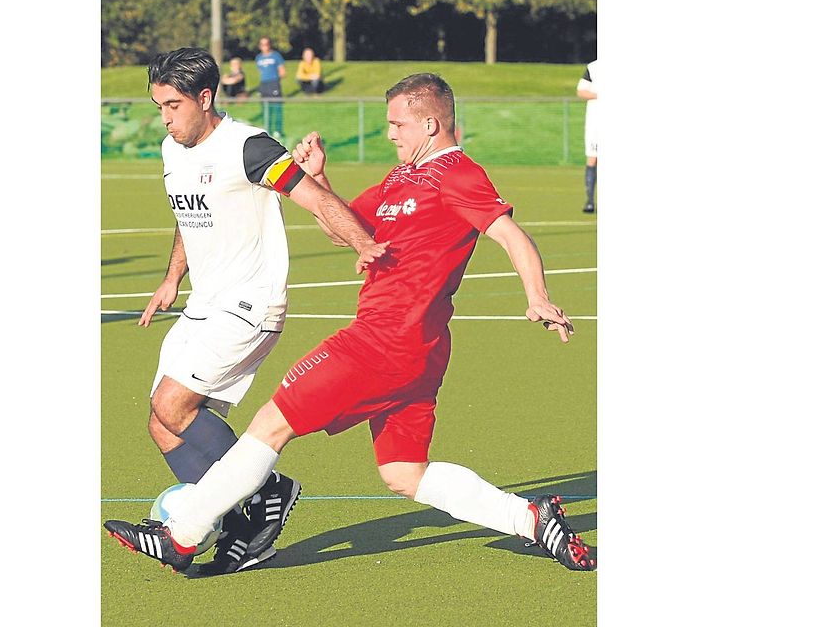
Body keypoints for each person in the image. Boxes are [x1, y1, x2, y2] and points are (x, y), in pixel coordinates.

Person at [104, 73, 595, 575]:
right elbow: (345, 232)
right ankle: (532, 519)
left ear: (430, 122)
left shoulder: (459, 173)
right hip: (413, 349)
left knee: (271, 425)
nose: (390, 134)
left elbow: (512, 235)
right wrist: (320, 178)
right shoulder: (399, 179)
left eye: (397, 123)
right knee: (405, 473)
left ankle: (182, 536)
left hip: (384, 340)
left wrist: (537, 296)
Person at [107, 46, 388, 576]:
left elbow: (313, 199)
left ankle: (258, 496)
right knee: (162, 426)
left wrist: (361, 242)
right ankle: (249, 522)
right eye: (158, 106)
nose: (164, 117)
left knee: (173, 405)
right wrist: (172, 277)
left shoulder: (250, 147)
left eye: (172, 105)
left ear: (205, 98)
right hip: (202, 304)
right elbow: (189, 217)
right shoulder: (174, 151)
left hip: (249, 303)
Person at [255, 37, 286, 140]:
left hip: (274, 84)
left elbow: (282, 71)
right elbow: (260, 71)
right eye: (262, 44)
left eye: (267, 44)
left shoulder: (276, 56)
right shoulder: (258, 58)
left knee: (276, 107)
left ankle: (278, 130)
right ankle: (266, 129)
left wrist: (275, 79)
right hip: (264, 84)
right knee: (265, 108)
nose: (265, 46)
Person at [577, 60, 597, 213]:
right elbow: (581, 91)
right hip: (596, 124)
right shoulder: (594, 67)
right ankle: (590, 200)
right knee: (592, 159)